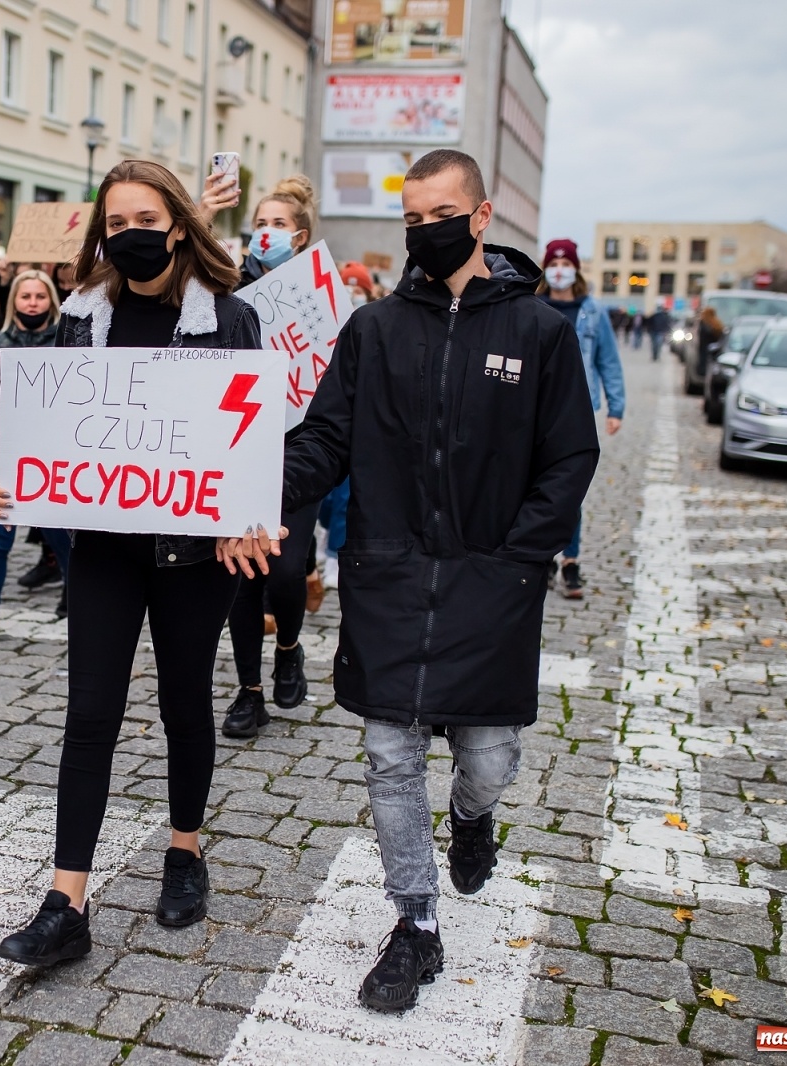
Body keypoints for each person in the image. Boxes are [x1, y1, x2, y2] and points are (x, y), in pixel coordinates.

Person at [220, 149, 598, 1013]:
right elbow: (323, 441)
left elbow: (570, 454)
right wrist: (249, 487)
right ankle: (415, 925)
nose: (423, 230)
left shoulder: (538, 332)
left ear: (480, 215)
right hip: (390, 580)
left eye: (439, 214)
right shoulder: (375, 330)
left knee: (488, 759)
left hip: (491, 587)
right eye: (410, 218)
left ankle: (472, 818)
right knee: (390, 757)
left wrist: (519, 557)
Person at [0, 159, 259, 966]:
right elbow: (55, 434)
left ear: (178, 224)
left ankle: (185, 850)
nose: (130, 236)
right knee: (90, 714)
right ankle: (65, 901)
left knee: (184, 701)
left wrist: (247, 513)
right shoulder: (80, 318)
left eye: (146, 221)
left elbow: (254, 439)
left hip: (194, 554)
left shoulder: (231, 320)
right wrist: (19, 483)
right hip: (104, 547)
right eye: (115, 225)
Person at [219, 176, 324, 737]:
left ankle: (288, 647)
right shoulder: (228, 291)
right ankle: (249, 693)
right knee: (242, 575)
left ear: (300, 236)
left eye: (278, 225)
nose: (266, 233)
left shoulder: (319, 296)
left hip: (299, 450)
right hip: (240, 446)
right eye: (260, 223)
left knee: (284, 571)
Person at [0, 269, 68, 642]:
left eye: (40, 296)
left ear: (51, 301)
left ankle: (77, 599)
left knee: (62, 533)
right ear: (15, 302)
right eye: (26, 297)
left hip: (55, 456)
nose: (33, 303)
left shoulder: (67, 340)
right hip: (5, 454)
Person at [538, 238, 624, 600]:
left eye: (565, 263)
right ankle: (542, 557)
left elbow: (608, 360)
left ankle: (570, 560)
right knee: (531, 486)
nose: (559, 270)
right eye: (553, 263)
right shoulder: (532, 305)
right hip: (535, 408)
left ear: (575, 268)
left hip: (578, 409)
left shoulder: (593, 311)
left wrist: (616, 407)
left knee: (570, 490)